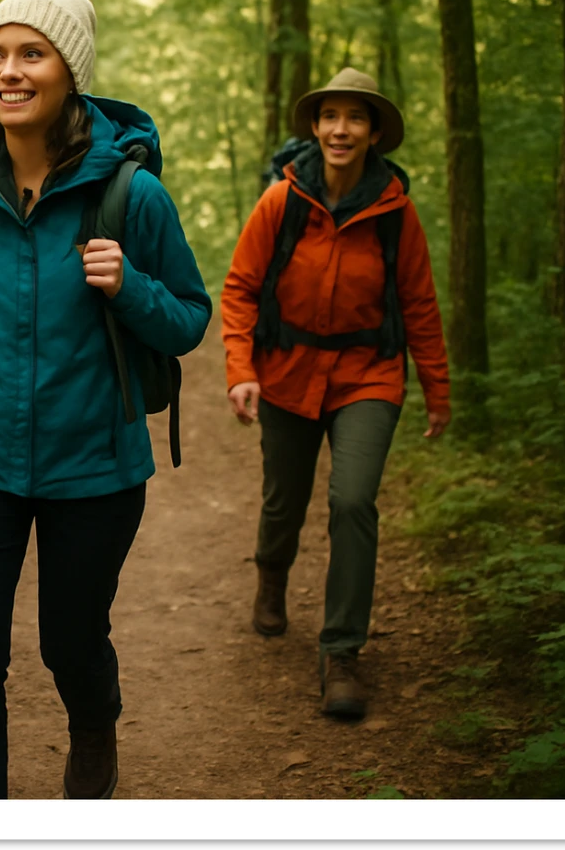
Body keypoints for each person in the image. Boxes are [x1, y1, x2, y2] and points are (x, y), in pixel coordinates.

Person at [0, 0, 212, 799]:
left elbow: (191, 317)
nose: (8, 71)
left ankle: (94, 725)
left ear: (71, 72)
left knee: (71, 641)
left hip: (94, 466)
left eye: (31, 53)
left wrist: (130, 288)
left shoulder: (133, 196)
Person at [220, 67, 451, 721]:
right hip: (288, 370)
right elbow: (239, 289)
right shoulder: (282, 201)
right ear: (316, 128)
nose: (340, 129)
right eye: (330, 117)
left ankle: (342, 652)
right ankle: (272, 574)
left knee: (353, 500)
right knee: (283, 502)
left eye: (355, 117)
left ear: (374, 132)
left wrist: (437, 388)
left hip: (367, 376)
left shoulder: (395, 212)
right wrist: (241, 369)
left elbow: (419, 305)